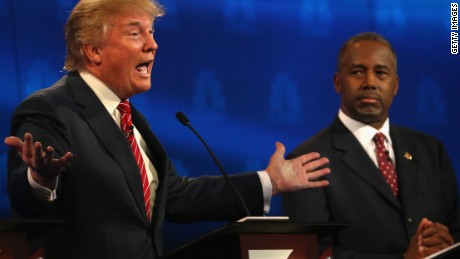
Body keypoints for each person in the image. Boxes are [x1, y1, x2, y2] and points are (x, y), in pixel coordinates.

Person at [4, 0, 331, 258]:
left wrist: (269, 181)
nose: (153, 45)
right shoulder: (52, 108)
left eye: (152, 32)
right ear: (94, 49)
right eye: (135, 33)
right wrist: (42, 179)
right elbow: (23, 197)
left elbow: (175, 197)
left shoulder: (129, 117)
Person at [282, 32, 460, 259]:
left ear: (395, 85)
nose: (370, 83)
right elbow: (313, 253)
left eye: (381, 73)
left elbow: (454, 229)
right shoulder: (308, 160)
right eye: (357, 72)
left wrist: (445, 240)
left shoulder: (431, 150)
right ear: (337, 82)